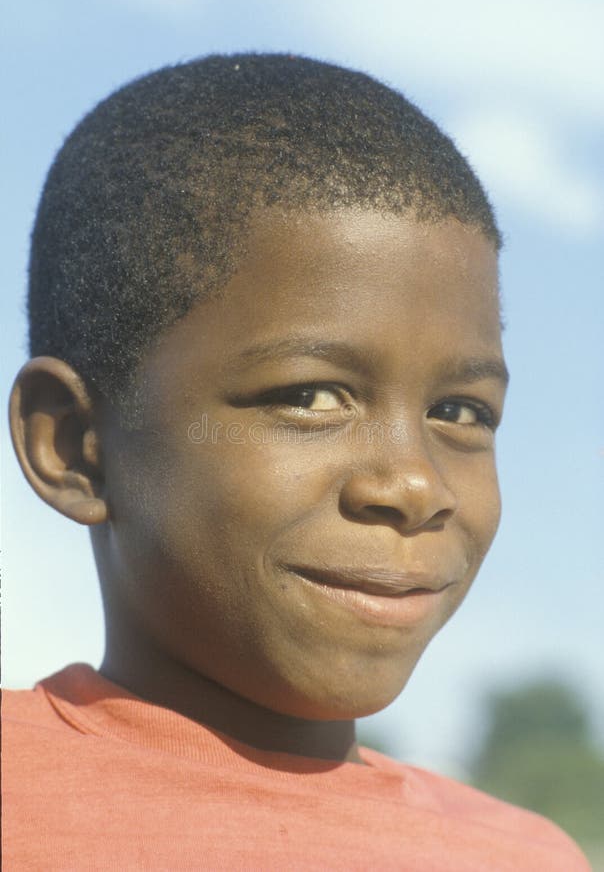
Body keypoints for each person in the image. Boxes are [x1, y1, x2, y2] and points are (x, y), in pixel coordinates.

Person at [3, 53, 590, 870]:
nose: (414, 487)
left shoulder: (528, 858)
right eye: (312, 397)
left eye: (459, 412)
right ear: (72, 446)